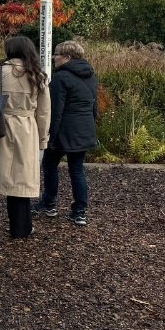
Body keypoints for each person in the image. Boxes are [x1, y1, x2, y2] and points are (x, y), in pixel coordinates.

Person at [0, 36, 51, 238]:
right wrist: (42, 139)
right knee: (21, 179)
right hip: (26, 129)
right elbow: (43, 112)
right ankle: (20, 227)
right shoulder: (38, 76)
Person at [33, 40, 98, 226]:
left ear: (67, 57)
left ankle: (49, 203)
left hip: (64, 131)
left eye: (57, 54)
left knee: (50, 163)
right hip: (84, 130)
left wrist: (50, 135)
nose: (54, 57)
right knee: (77, 169)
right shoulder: (91, 76)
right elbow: (94, 107)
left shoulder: (61, 78)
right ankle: (80, 212)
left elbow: (55, 110)